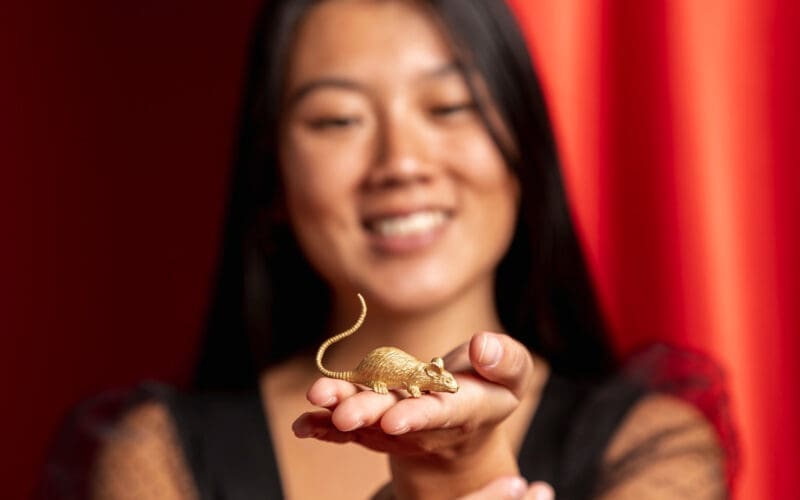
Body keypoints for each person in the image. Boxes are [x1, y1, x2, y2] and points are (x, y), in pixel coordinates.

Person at [48, 0, 733, 499]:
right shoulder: (158, 453)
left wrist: (461, 469)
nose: (401, 163)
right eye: (338, 119)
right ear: (273, 176)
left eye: (450, 106)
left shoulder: (649, 444)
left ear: (524, 146)